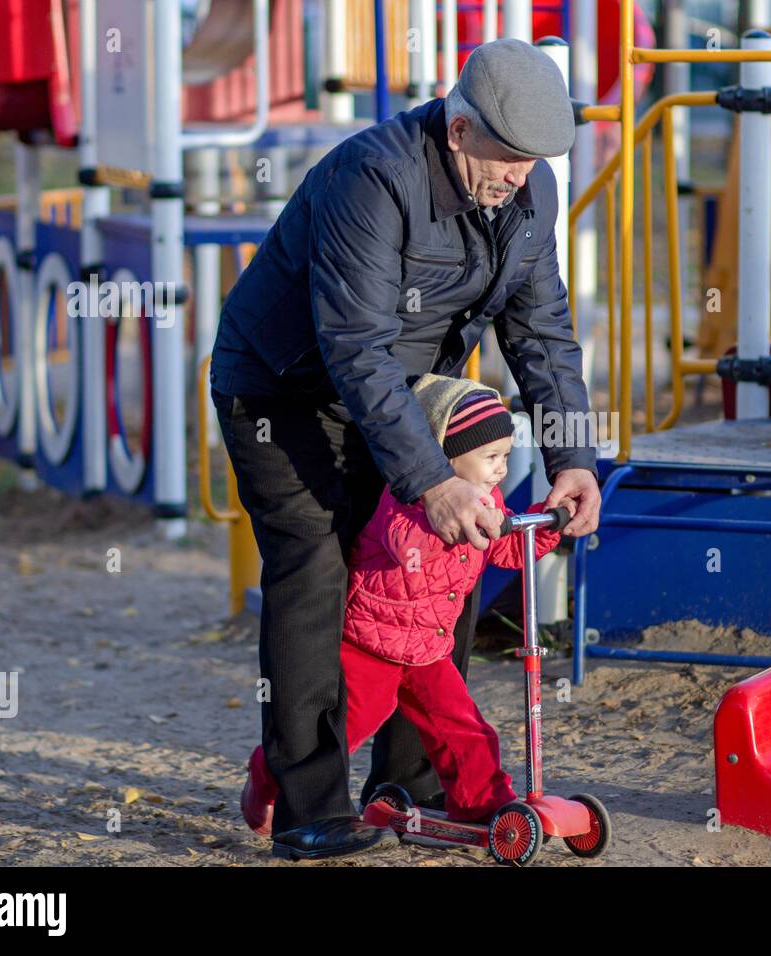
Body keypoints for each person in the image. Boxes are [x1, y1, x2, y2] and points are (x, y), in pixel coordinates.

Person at [210, 38, 601, 860]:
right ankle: (307, 802)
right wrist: (428, 479)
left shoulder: (531, 186)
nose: (520, 178)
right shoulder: (372, 177)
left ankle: (410, 783)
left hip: (409, 398)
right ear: (458, 131)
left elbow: (542, 330)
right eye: (507, 159)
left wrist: (572, 456)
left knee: (443, 565)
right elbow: (354, 345)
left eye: (535, 162)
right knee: (317, 574)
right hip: (284, 391)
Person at [240, 378, 571, 846]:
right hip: (372, 643)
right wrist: (457, 516)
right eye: (491, 457)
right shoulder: (408, 499)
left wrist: (546, 525)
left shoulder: (488, 499)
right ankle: (268, 775)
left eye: (505, 455)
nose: (502, 468)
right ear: (445, 456)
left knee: (465, 729)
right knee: (345, 731)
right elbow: (405, 543)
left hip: (429, 648)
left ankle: (486, 806)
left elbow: (505, 551)